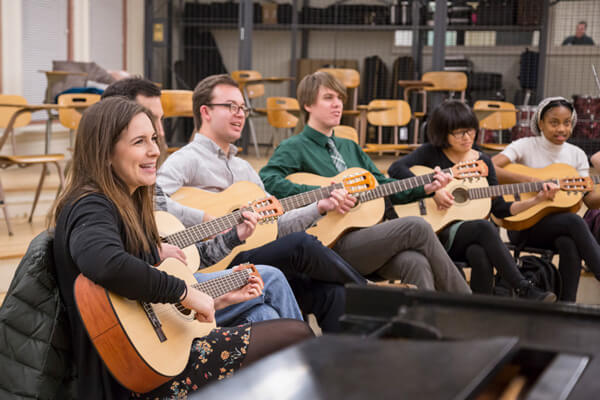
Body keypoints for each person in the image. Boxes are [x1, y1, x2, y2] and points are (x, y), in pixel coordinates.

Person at [50, 97, 312, 399]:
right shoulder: (91, 204)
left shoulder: (125, 203)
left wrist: (218, 300)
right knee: (294, 333)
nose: (154, 151)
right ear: (105, 152)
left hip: (154, 353)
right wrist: (186, 293)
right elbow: (105, 263)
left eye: (153, 139)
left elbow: (144, 304)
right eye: (139, 142)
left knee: (263, 313)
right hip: (130, 375)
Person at [157, 74, 369, 333]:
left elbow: (276, 224)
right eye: (231, 106)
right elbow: (153, 202)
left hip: (255, 256)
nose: (240, 114)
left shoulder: (244, 168)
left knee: (330, 293)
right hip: (214, 263)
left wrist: (318, 207)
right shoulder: (187, 159)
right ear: (206, 112)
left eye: (243, 108)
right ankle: (373, 298)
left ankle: (346, 360)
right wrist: (204, 218)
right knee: (301, 244)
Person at [102, 78, 303, 326]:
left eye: (159, 121)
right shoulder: (98, 202)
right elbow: (111, 259)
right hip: (157, 300)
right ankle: (311, 359)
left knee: (263, 315)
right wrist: (163, 250)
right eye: (149, 120)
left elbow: (190, 255)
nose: (160, 134)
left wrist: (233, 236)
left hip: (179, 284)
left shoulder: (148, 193)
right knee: (273, 274)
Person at [259, 71, 471, 294]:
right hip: (328, 244)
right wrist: (323, 193)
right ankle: (467, 303)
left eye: (340, 98)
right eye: (329, 98)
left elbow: (383, 186)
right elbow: (268, 182)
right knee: (416, 226)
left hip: (367, 240)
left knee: (415, 261)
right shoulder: (294, 146)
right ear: (308, 105)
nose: (337, 104)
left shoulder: (349, 147)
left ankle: (423, 326)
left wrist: (426, 187)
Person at [388, 100, 556, 301]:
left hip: (467, 237)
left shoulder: (483, 161)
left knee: (479, 254)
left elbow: (500, 208)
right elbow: (396, 169)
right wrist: (431, 191)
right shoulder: (430, 153)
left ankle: (479, 312)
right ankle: (523, 288)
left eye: (471, 131)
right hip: (434, 234)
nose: (467, 137)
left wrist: (536, 200)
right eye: (459, 133)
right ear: (443, 133)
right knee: (484, 229)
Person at [492, 96, 600, 301]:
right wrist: (533, 180)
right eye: (554, 122)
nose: (562, 129)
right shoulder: (524, 145)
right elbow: (490, 168)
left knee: (569, 242)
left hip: (559, 226)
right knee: (574, 222)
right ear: (540, 123)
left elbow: (589, 200)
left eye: (567, 123)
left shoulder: (576, 154)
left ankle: (567, 305)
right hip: (522, 224)